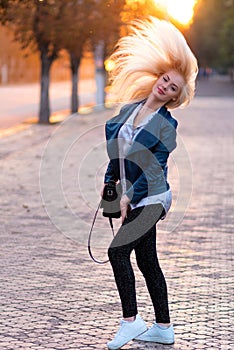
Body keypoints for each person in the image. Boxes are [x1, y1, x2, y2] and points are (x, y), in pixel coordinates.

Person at [102, 17, 198, 350]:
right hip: (132, 196)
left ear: (174, 98)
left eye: (173, 88)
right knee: (147, 262)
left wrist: (130, 196)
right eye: (166, 80)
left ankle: (131, 322)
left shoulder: (166, 126)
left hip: (153, 198)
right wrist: (110, 185)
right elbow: (116, 156)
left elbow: (153, 170)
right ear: (158, 76)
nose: (166, 87)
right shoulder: (129, 111)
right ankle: (163, 328)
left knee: (116, 253)